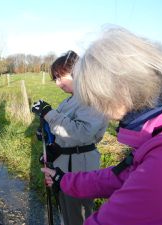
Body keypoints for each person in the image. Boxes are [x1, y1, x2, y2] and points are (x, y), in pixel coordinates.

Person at [42, 27, 162, 225]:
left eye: (96, 95)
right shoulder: (158, 132)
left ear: (121, 86)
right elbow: (121, 176)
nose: (96, 105)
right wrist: (62, 180)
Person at [32, 51, 108, 225]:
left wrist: (48, 113)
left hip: (79, 166)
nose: (58, 83)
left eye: (60, 77)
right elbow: (62, 132)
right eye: (55, 79)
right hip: (63, 164)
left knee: (78, 216)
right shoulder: (69, 101)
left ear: (77, 72)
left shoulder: (92, 98)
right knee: (65, 212)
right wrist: (50, 142)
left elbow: (82, 133)